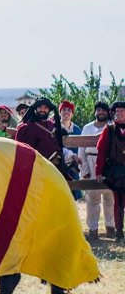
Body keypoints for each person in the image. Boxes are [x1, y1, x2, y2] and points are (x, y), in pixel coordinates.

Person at [15, 98, 81, 178]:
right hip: (37, 172)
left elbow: (57, 148)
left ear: (49, 110)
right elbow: (23, 153)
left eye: (45, 107)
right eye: (40, 107)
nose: (42, 110)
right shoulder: (27, 127)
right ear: (36, 109)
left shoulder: (51, 125)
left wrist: (73, 156)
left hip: (54, 170)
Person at [79, 101, 114, 239]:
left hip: (109, 164)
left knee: (110, 197)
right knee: (92, 198)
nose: (101, 112)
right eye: (98, 110)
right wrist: (84, 170)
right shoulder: (87, 128)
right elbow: (81, 149)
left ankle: (110, 227)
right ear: (95, 112)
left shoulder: (112, 127)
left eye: (104, 110)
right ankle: (93, 229)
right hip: (90, 160)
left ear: (108, 112)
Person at [96, 101, 125, 242]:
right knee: (118, 202)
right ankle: (119, 233)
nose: (119, 113)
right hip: (116, 171)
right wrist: (99, 172)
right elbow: (101, 152)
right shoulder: (109, 130)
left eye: (122, 111)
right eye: (117, 111)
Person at [59, 100, 83, 200]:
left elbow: (81, 147)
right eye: (64, 109)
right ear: (60, 112)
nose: (66, 112)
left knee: (74, 195)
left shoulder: (77, 129)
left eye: (69, 110)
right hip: (59, 164)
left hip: (74, 166)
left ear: (72, 113)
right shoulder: (54, 127)